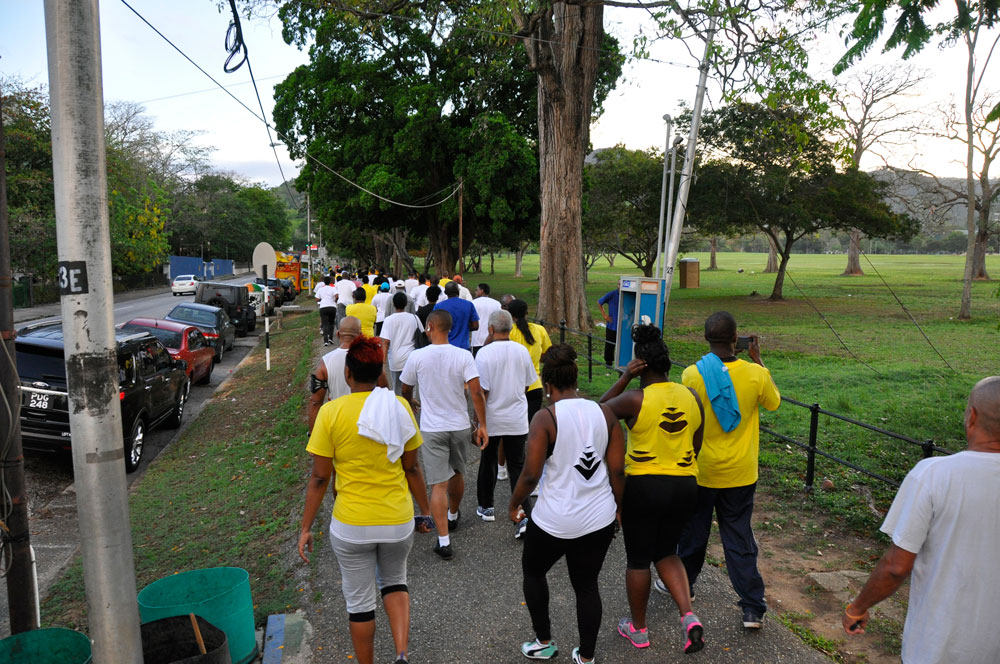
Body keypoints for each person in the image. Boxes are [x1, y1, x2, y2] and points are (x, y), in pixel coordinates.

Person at [841, 376, 1000, 663]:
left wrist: (858, 607)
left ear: (972, 417)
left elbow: (896, 566)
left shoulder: (933, 475)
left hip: (938, 647)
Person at [298, 336, 433, 664]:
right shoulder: (399, 407)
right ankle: (401, 653)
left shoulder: (330, 413)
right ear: (380, 373)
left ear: (347, 374)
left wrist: (305, 528)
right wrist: (426, 511)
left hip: (351, 525)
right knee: (395, 582)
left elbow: (320, 478)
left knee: (359, 604)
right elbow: (412, 468)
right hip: (397, 521)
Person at [509, 344, 625, 664]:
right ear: (575, 379)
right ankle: (586, 657)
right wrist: (619, 509)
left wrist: (514, 504)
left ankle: (544, 642)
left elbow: (530, 474)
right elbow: (617, 471)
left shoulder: (546, 418)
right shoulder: (606, 413)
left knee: (534, 572)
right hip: (598, 518)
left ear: (547, 385)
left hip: (554, 519)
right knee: (587, 586)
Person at [600, 324, 706, 654]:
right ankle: (688, 616)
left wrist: (624, 378)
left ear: (640, 365)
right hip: (685, 484)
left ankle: (639, 629)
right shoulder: (691, 396)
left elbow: (597, 411)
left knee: (638, 559)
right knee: (667, 552)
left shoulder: (635, 399)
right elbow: (696, 443)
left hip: (644, 486)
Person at [675, 311, 780, 630]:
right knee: (738, 537)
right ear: (737, 339)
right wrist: (758, 360)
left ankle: (684, 588)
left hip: (702, 470)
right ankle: (752, 607)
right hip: (740, 473)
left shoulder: (692, 375)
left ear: (706, 338)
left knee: (694, 533)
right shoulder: (756, 375)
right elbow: (773, 402)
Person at [400, 310, 488, 560]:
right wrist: (482, 424)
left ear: (429, 327)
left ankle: (444, 540)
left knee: (438, 484)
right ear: (449, 328)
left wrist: (411, 403)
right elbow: (476, 392)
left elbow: (405, 388)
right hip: (459, 425)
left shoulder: (417, 356)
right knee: (458, 472)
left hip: (432, 427)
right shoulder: (464, 356)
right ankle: (453, 514)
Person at [474, 310, 537, 528]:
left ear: (491, 329)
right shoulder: (522, 351)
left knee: (488, 461)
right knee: (517, 465)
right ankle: (522, 512)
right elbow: (527, 384)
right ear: (510, 328)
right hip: (516, 418)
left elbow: (482, 392)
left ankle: (487, 506)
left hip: (492, 418)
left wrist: (478, 422)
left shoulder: (484, 354)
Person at [307, 316, 362, 434]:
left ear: (337, 334)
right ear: (361, 335)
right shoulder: (372, 359)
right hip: (366, 424)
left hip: (338, 424)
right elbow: (384, 392)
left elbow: (316, 402)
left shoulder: (325, 362)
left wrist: (312, 435)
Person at [508, 299, 552, 430]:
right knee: (531, 427)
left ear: (510, 314)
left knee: (514, 429)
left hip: (513, 386)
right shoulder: (540, 330)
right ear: (527, 312)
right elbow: (547, 355)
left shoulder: (509, 332)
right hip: (535, 385)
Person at [379, 293, 424, 395]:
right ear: (406, 304)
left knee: (397, 388)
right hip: (411, 358)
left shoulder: (388, 320)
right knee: (411, 388)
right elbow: (422, 334)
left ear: (393, 304)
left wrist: (383, 363)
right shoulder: (414, 318)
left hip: (395, 359)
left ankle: (398, 404)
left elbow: (386, 342)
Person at [434, 282, 479, 350]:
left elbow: (435, 326)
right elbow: (475, 326)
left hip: (445, 346)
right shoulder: (469, 305)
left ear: (445, 292)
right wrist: (463, 327)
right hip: (463, 347)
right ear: (458, 291)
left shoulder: (439, 306)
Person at [471, 283, 501, 357]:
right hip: (492, 339)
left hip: (477, 340)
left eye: (476, 290)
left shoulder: (473, 303)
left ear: (482, 291)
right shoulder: (497, 303)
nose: (475, 292)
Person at [597, 288, 620, 366]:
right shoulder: (612, 294)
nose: (620, 286)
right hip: (612, 325)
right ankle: (608, 363)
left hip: (624, 327)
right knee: (609, 345)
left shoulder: (627, 295)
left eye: (621, 284)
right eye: (618, 284)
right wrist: (604, 315)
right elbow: (599, 302)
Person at [315, 275, 338, 346]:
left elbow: (316, 299)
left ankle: (325, 341)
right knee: (331, 323)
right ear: (330, 281)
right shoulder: (333, 288)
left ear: (324, 282)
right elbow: (337, 296)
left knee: (325, 324)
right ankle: (330, 338)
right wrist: (335, 300)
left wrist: (321, 299)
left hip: (323, 307)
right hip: (332, 307)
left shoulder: (320, 289)